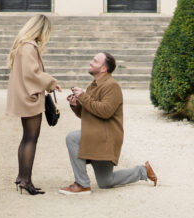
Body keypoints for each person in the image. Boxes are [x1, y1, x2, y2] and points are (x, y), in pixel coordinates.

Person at [59, 52, 157, 195]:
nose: (91, 62)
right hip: (98, 134)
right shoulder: (93, 85)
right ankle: (143, 170)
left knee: (72, 138)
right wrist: (76, 105)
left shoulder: (112, 86)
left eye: (95, 61)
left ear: (104, 69)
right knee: (106, 182)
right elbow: (88, 114)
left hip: (106, 137)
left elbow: (105, 111)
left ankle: (82, 184)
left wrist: (84, 97)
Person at [6, 14, 61, 195]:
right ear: (39, 29)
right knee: (31, 139)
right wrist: (52, 82)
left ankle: (22, 177)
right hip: (30, 98)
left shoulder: (21, 46)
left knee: (26, 138)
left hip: (23, 96)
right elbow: (33, 74)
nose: (44, 36)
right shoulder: (29, 47)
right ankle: (26, 180)